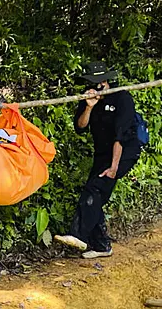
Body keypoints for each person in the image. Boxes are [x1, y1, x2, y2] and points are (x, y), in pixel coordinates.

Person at [55, 61, 142, 259]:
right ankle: (102, 245)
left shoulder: (122, 98)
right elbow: (80, 127)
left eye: (97, 84)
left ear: (105, 82)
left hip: (125, 151)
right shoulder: (89, 98)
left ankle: (78, 235)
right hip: (102, 152)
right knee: (96, 195)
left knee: (94, 189)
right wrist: (89, 107)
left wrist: (114, 167)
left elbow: (120, 136)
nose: (93, 87)